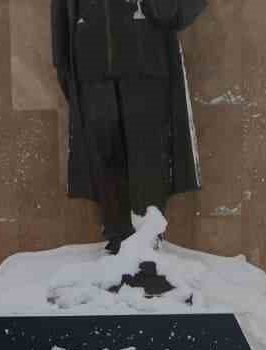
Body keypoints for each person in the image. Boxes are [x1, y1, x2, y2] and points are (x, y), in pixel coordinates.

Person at [52, 0, 205, 254]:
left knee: (148, 154)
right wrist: (62, 57)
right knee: (103, 152)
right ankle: (117, 236)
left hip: (145, 56)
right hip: (91, 59)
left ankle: (147, 236)